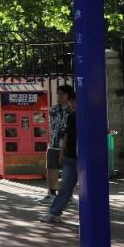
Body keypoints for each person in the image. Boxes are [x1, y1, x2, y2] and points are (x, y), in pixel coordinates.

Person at [40, 89, 77, 224]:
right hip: (68, 154)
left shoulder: (83, 115)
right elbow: (66, 135)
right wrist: (62, 153)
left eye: (74, 102)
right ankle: (54, 212)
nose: (72, 104)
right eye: (58, 94)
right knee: (65, 185)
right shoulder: (61, 112)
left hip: (81, 156)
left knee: (70, 186)